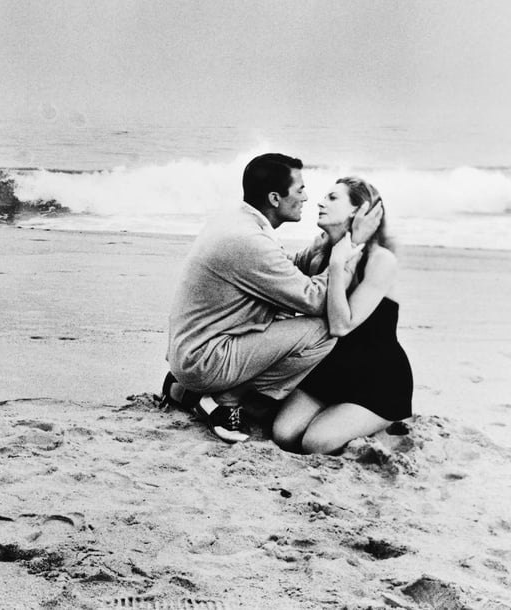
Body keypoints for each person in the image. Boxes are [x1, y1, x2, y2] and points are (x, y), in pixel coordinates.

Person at [160, 153, 382, 443]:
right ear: (275, 199)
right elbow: (315, 299)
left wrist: (325, 243)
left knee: (289, 319)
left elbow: (280, 268)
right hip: (205, 360)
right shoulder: (249, 241)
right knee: (322, 330)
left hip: (192, 351)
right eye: (300, 190)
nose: (308, 198)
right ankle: (227, 398)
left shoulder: (239, 220)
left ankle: (188, 392)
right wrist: (344, 252)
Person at [272, 177, 412, 454]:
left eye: (333, 198)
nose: (321, 202)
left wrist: (338, 263)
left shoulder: (380, 260)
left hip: (378, 377)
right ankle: (340, 416)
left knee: (315, 442)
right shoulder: (316, 257)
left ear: (357, 211)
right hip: (331, 369)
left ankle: (379, 419)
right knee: (284, 435)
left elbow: (341, 324)